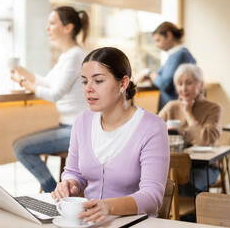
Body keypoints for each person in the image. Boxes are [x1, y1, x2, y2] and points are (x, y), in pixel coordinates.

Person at [51, 47, 170, 223]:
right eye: (84, 82)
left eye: (98, 81)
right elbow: (74, 172)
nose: (88, 89)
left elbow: (152, 197)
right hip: (90, 223)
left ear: (123, 83)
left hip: (136, 224)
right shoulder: (82, 121)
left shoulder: (152, 127)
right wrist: (70, 184)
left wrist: (109, 206)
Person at [11, 6, 89, 192]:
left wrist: (23, 81)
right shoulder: (67, 56)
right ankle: (55, 192)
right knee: (20, 145)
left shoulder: (75, 56)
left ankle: (53, 192)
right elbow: (47, 82)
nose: (47, 28)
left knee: (21, 147)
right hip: (67, 125)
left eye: (52, 23)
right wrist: (19, 70)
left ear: (68, 28)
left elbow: (54, 94)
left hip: (76, 129)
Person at [159, 63, 222, 196]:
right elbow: (151, 131)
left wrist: (188, 113)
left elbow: (205, 140)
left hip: (205, 167)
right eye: (179, 84)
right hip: (174, 166)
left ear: (200, 85)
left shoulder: (214, 108)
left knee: (188, 184)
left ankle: (190, 217)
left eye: (189, 83)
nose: (184, 88)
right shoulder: (171, 107)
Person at [136, 22, 196, 112]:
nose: (157, 45)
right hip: (171, 109)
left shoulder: (181, 55)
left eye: (158, 40)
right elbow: (158, 74)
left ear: (168, 35)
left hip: (176, 111)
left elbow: (165, 84)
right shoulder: (174, 56)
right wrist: (150, 74)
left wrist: (149, 73)